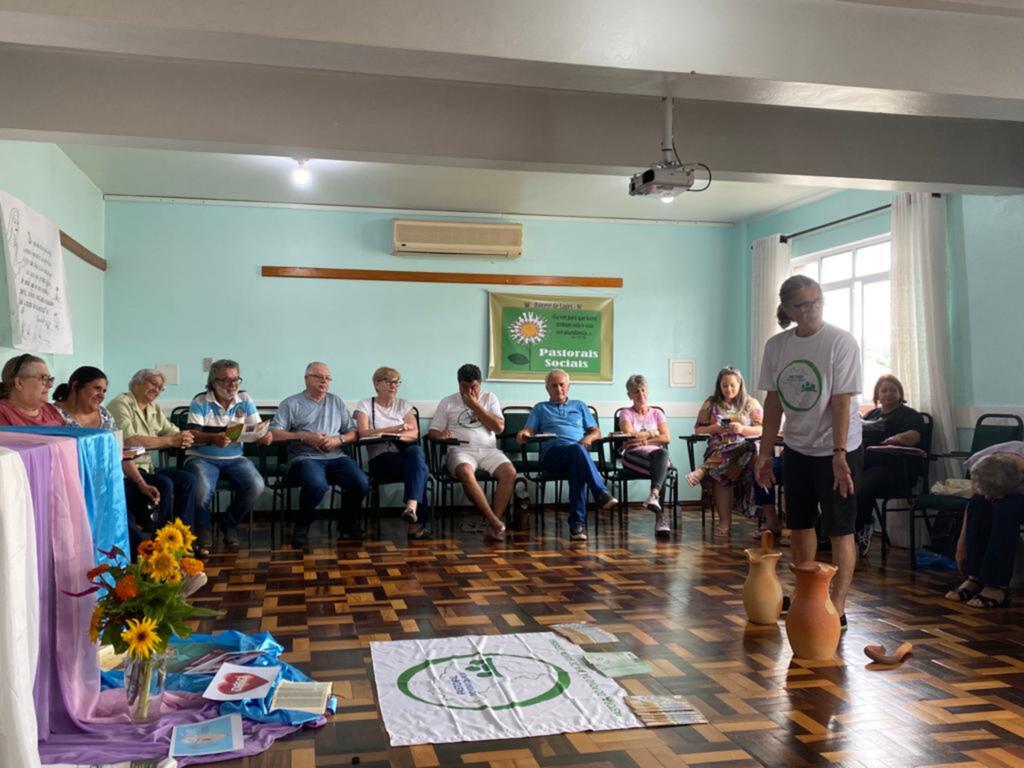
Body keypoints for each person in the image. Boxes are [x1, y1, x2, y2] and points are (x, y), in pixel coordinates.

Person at [756, 275, 863, 628]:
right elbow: (772, 403)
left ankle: (837, 604)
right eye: (804, 304)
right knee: (800, 524)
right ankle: (807, 596)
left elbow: (841, 400)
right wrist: (764, 452)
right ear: (788, 309)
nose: (813, 309)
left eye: (817, 301)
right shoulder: (777, 346)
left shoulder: (840, 342)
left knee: (839, 528)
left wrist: (838, 453)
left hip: (840, 448)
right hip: (798, 446)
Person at [269, 362, 368, 546]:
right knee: (316, 484)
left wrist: (338, 440)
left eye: (327, 378)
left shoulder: (336, 401)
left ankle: (347, 524)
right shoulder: (291, 403)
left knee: (360, 482)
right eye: (319, 377)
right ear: (307, 378)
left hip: (336, 456)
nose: (324, 381)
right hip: (305, 458)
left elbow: (353, 432)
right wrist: (303, 437)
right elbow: (273, 434)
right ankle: (302, 525)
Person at [515, 369, 617, 542]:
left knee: (577, 466)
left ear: (568, 387)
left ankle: (577, 526)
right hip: (552, 456)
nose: (558, 389)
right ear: (547, 388)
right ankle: (600, 492)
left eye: (562, 385)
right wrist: (523, 433)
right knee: (578, 452)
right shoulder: (540, 408)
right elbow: (529, 430)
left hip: (576, 455)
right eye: (554, 385)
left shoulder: (579, 406)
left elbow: (595, 431)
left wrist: (588, 438)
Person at [108, 369, 201, 548]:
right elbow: (129, 441)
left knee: (187, 479)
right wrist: (171, 441)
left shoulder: (153, 408)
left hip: (146, 467)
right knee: (165, 483)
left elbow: (172, 431)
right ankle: (162, 543)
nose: (157, 390)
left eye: (160, 387)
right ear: (136, 383)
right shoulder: (121, 404)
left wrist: (184, 437)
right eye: (153, 383)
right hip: (126, 469)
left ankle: (183, 539)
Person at [184, 359, 272, 547]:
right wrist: (213, 438)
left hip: (235, 458)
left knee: (256, 486)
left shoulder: (245, 399)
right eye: (226, 380)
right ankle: (203, 527)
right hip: (203, 458)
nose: (232, 385)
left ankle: (229, 525)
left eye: (235, 379)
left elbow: (256, 428)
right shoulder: (200, 400)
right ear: (213, 382)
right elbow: (191, 434)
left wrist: (263, 436)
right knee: (201, 491)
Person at [427, 363, 514, 542]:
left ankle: (492, 525)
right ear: (458, 384)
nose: (469, 391)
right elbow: (432, 432)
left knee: (509, 473)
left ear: (480, 384)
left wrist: (475, 406)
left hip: (489, 450)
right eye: (464, 387)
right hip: (460, 451)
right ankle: (495, 522)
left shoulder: (490, 398)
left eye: (473, 387)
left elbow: (498, 428)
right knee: (465, 472)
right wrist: (441, 434)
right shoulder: (448, 401)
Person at [354, 367, 431, 540]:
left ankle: (411, 508)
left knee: (417, 452)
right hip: (381, 459)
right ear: (376, 384)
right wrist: (395, 429)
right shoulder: (366, 405)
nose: (393, 386)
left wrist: (397, 436)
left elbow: (414, 434)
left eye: (396, 382)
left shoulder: (403, 405)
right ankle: (415, 525)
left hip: (404, 454)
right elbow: (363, 432)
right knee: (421, 471)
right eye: (388, 382)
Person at [686, 366, 763, 537]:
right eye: (724, 385)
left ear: (740, 384)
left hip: (745, 450)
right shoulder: (711, 403)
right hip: (718, 449)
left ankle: (703, 469)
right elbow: (698, 429)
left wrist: (742, 429)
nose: (728, 389)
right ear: (719, 386)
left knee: (746, 448)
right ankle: (725, 523)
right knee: (723, 474)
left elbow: (762, 429)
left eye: (732, 385)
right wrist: (715, 428)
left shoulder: (751, 403)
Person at [945, 441, 1024, 609]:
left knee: (1008, 506)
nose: (989, 498)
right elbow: (972, 505)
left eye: (994, 495)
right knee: (978, 502)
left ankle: (997, 585)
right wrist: (962, 544)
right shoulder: (980, 461)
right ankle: (975, 577)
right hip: (1003, 497)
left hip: (1015, 505)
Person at [854, 374, 925, 556]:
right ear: (877, 394)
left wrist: (898, 439)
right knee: (842, 481)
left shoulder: (910, 415)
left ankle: (859, 527)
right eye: (884, 390)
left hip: (897, 470)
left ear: (900, 393)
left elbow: (915, 435)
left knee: (864, 484)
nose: (888, 394)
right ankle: (828, 532)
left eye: (893, 390)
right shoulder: (871, 415)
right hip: (867, 465)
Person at [618, 373, 673, 539]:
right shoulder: (626, 413)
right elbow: (629, 436)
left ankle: (654, 495)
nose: (641, 394)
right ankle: (661, 518)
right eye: (636, 392)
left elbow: (666, 438)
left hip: (657, 457)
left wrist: (641, 437)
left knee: (662, 454)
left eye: (643, 390)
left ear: (647, 391)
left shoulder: (657, 413)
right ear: (630, 395)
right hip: (633, 455)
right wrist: (652, 433)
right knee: (661, 466)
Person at [0, 353, 64, 426]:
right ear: (19, 383)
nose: (50, 385)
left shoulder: (50, 410)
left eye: (50, 379)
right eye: (44, 378)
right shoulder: (3, 414)